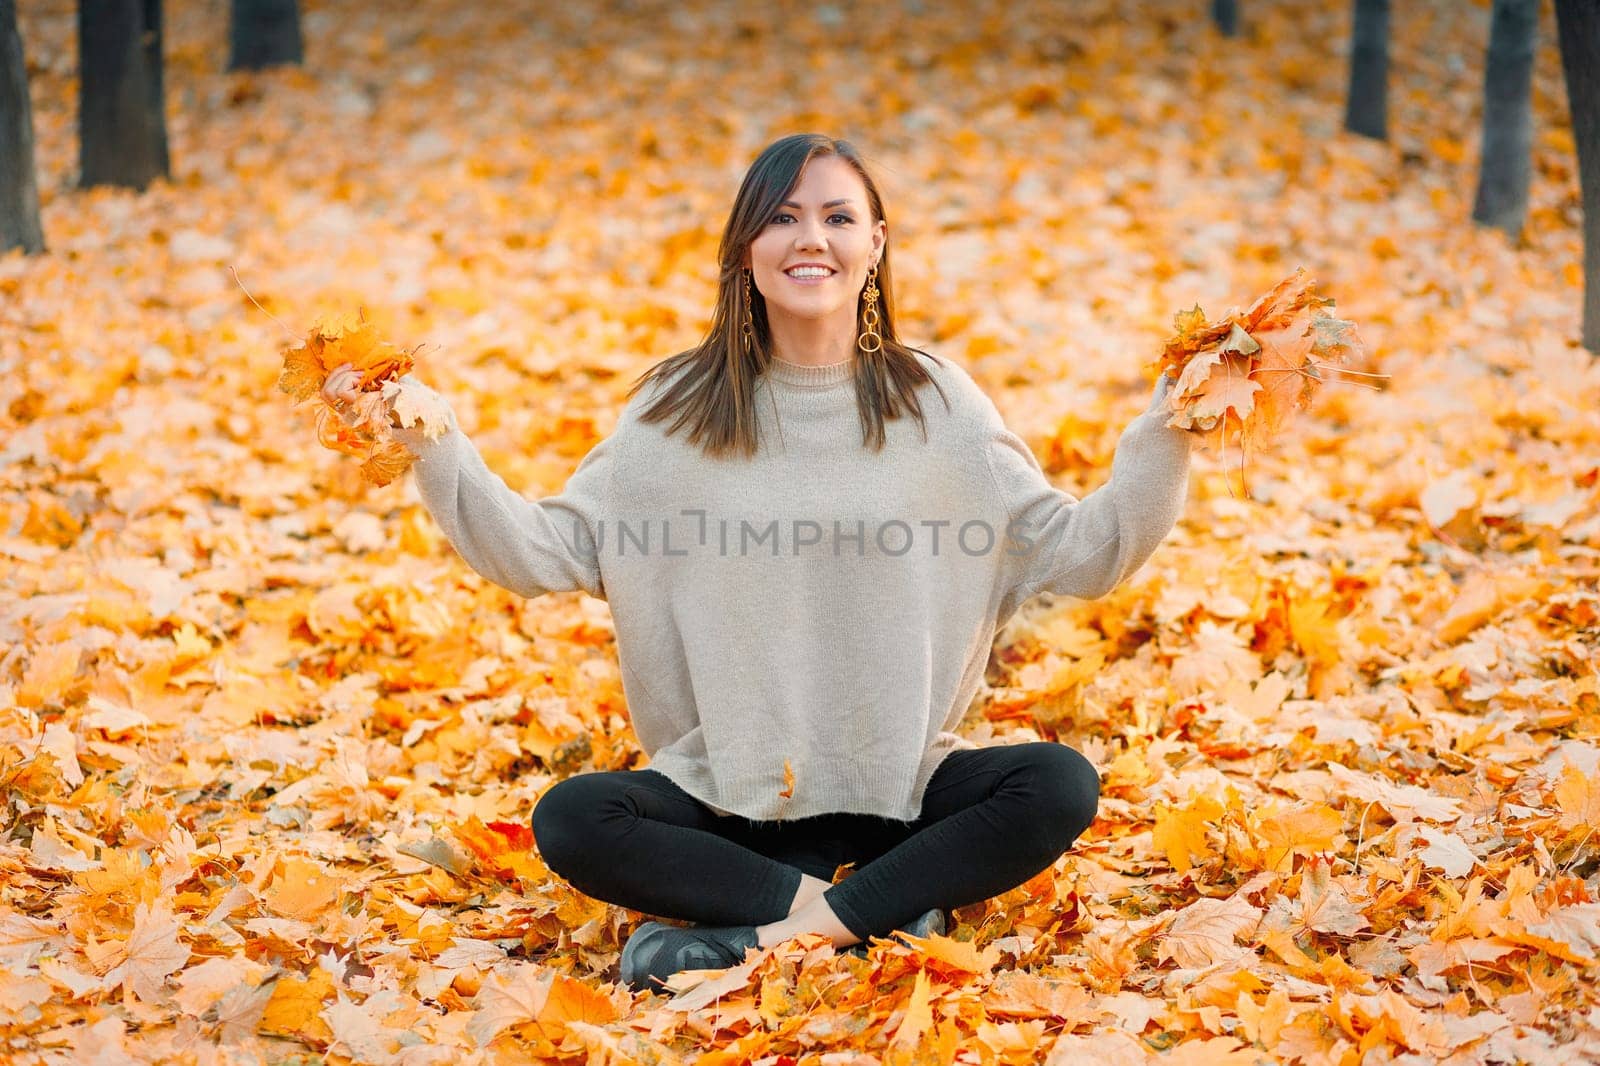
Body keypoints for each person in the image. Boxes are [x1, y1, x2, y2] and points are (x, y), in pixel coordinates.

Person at [323, 133, 1196, 993]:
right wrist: (428, 438)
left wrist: (1168, 429)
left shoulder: (939, 406)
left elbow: (1088, 553)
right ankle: (875, 918)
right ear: (747, 249)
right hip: (726, 801)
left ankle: (773, 933)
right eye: (781, 217)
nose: (810, 238)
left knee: (1057, 783)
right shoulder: (675, 409)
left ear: (875, 243)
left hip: (897, 789)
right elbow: (537, 552)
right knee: (574, 818)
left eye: (837, 216)